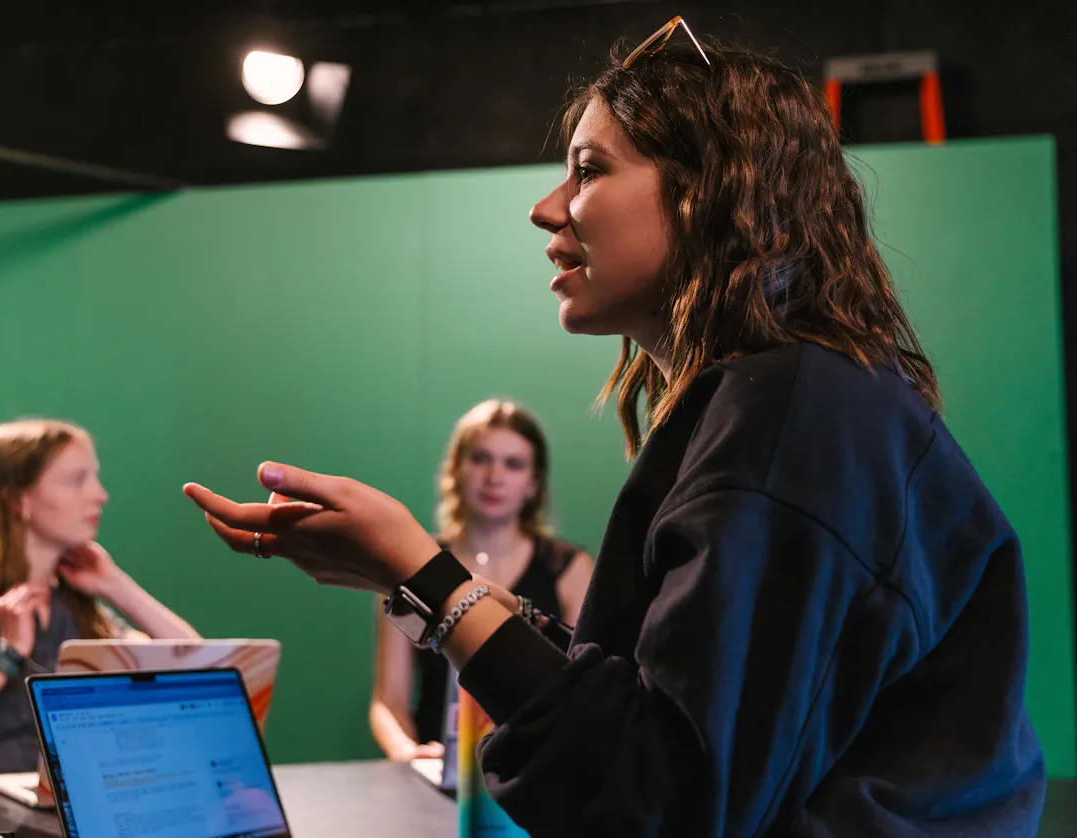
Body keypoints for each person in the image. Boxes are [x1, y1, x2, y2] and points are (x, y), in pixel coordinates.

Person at [183, 22, 1045, 838]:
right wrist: (413, 583)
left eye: (588, 170)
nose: (547, 209)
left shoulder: (795, 411)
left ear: (713, 188)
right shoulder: (801, 401)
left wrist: (426, 579)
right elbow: (652, 724)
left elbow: (662, 796)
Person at [0, 419, 199, 786]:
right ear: (18, 498)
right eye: (77, 480)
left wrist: (117, 586)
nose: (100, 495)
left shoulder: (76, 603)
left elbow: (200, 666)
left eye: (95, 478)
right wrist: (7, 654)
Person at [370, 399, 592, 762]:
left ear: (534, 483)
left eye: (514, 464)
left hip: (540, 774)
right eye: (480, 458)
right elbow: (388, 700)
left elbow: (586, 689)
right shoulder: (414, 565)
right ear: (455, 469)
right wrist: (408, 753)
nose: (495, 476)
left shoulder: (569, 569)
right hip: (439, 768)